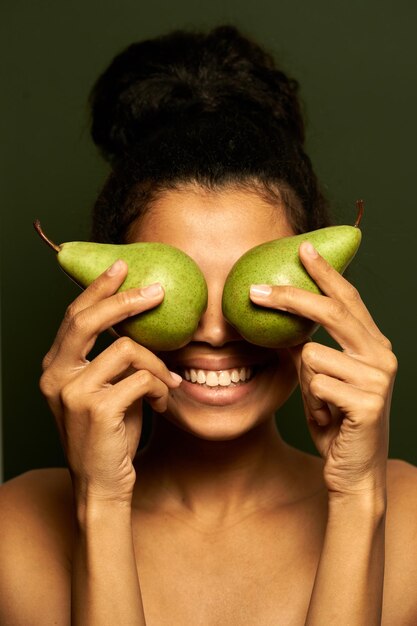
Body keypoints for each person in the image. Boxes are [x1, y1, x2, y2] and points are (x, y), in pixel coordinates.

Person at [0, 25, 416, 626]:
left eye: (252, 292)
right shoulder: (16, 531)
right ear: (106, 302)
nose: (217, 333)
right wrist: (101, 504)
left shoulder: (401, 513)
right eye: (179, 289)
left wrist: (357, 498)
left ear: (323, 292)